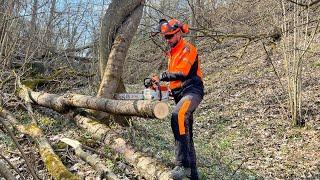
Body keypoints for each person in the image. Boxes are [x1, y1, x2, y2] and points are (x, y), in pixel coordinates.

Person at [156, 19, 204, 180]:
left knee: (178, 115)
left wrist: (163, 76)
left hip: (192, 90)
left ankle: (182, 165)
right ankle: (193, 175)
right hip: (180, 94)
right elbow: (175, 81)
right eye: (165, 37)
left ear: (179, 33)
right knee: (186, 134)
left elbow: (182, 73)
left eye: (170, 36)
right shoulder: (171, 54)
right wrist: (163, 87)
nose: (168, 40)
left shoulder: (188, 48)